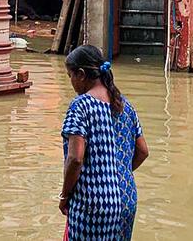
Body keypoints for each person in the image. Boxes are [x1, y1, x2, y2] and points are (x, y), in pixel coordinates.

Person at [59, 45, 149, 241]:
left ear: (81, 74)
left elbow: (75, 159)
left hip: (93, 204)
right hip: (127, 198)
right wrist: (118, 174)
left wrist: (64, 195)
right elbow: (143, 151)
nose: (71, 82)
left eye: (70, 76)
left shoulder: (80, 106)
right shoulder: (125, 106)